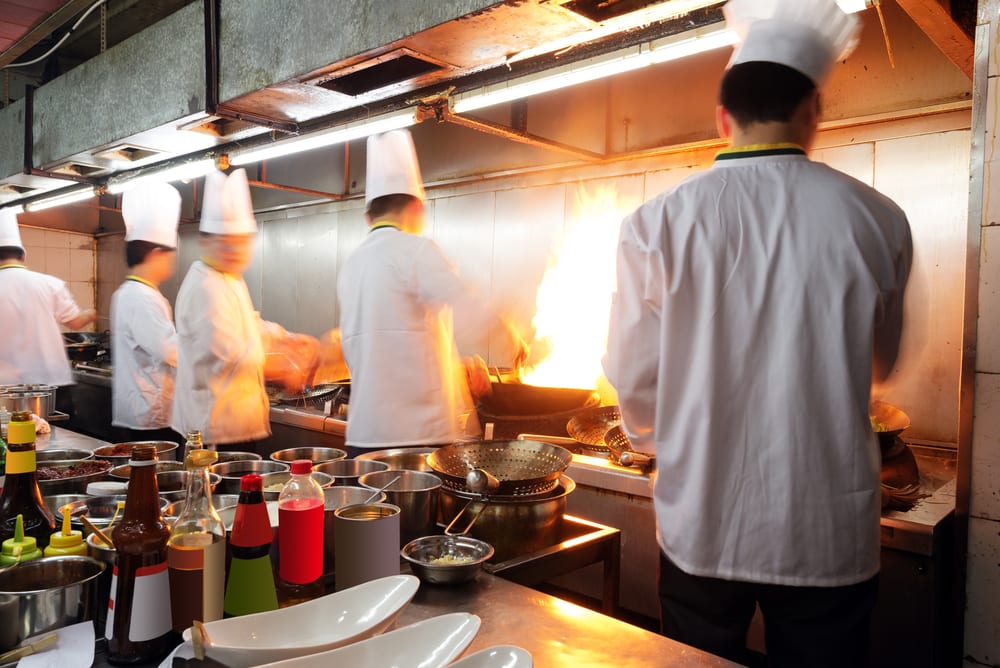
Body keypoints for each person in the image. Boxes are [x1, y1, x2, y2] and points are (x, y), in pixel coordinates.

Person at [602, 1, 912, 666]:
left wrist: (667, 446)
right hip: (825, 525)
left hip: (703, 521)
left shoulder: (655, 224)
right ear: (813, 112)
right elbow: (882, 364)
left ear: (723, 117)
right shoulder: (877, 219)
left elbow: (631, 373)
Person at [337, 129, 527, 454]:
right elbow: (470, 308)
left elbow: (395, 344)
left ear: (369, 214)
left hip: (364, 437)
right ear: (415, 208)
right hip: (415, 439)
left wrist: (453, 367)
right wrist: (510, 333)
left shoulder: (352, 264)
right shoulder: (417, 250)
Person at [172, 168, 318, 448]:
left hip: (238, 428)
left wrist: (285, 337)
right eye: (226, 243)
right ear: (205, 242)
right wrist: (285, 369)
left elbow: (249, 327)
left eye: (242, 243)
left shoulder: (229, 279)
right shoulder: (205, 286)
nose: (236, 251)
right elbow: (231, 356)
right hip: (214, 434)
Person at [110, 181, 183, 445]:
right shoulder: (142, 297)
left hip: (139, 412)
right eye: (170, 255)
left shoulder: (127, 292)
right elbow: (170, 350)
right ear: (155, 253)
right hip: (149, 417)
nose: (173, 262)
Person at [0, 207, 98, 396]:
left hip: (5, 388)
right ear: (23, 256)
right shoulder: (49, 284)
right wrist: (90, 313)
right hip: (50, 383)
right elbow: (75, 322)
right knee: (52, 426)